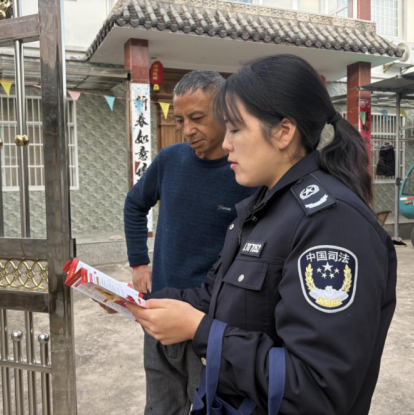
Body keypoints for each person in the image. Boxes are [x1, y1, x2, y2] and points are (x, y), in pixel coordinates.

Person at [127, 55, 398, 415]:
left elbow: (316, 389)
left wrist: (200, 330)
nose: (226, 144)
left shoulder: (332, 223)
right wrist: (138, 299)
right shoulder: (263, 207)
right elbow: (215, 296)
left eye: (236, 129)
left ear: (284, 131)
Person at [124, 71, 257, 415]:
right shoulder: (170, 160)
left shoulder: (247, 173)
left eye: (197, 118)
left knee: (206, 406)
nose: (187, 130)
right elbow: (135, 204)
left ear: (225, 113)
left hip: (209, 321)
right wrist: (139, 263)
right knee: (160, 407)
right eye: (180, 120)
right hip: (159, 309)